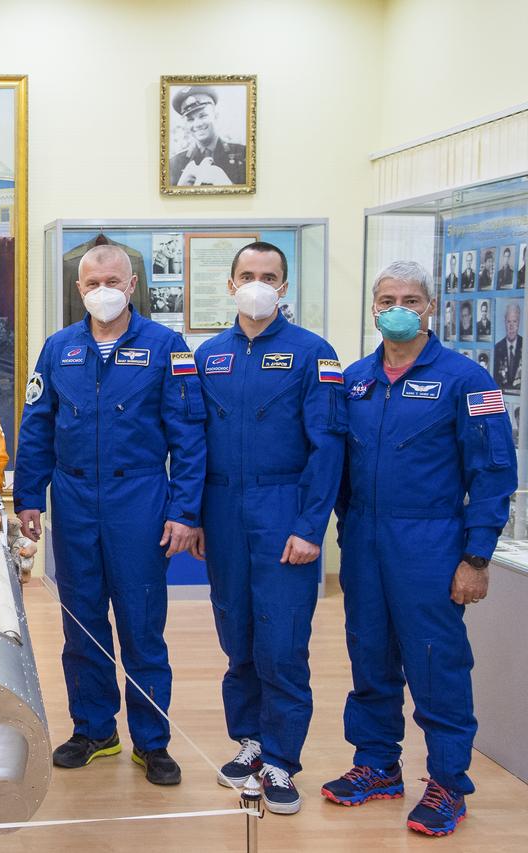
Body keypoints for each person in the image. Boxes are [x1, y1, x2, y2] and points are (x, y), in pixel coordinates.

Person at [322, 260, 516, 837]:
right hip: (364, 541)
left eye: (410, 297)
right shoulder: (355, 380)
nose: (397, 306)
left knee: (436, 663)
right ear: (374, 306)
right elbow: (338, 468)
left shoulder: (467, 379)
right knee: (370, 656)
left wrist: (476, 556)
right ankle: (377, 764)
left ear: (429, 306)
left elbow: (493, 473)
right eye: (387, 298)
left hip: (430, 543)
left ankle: (448, 782)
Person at [15, 245, 206, 786]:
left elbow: (188, 438)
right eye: (92, 281)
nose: (103, 289)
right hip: (74, 503)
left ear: (132, 283)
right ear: (80, 290)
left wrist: (184, 511)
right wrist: (29, 496)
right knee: (82, 625)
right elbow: (36, 429)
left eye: (113, 279)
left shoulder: (167, 347)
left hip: (139, 501)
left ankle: (153, 741)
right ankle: (94, 729)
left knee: (142, 625)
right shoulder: (58, 350)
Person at [193, 242, 346, 815]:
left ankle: (281, 760)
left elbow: (328, 447)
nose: (258, 284)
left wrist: (310, 527)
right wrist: (200, 516)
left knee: (281, 641)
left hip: (285, 511)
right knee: (237, 638)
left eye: (270, 276)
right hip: (224, 513)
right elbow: (193, 445)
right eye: (248, 275)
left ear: (285, 288)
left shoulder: (314, 354)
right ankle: (250, 743)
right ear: (230, 283)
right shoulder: (207, 356)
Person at [168, 86, 247, 186]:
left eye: (203, 116)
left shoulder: (243, 154)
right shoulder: (174, 164)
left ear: (216, 116)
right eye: (190, 119)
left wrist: (228, 185)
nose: (197, 124)